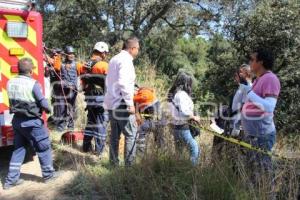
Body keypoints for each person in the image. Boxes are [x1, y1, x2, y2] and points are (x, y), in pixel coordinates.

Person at [4, 58, 58, 190]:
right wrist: (50, 109)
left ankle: (10, 181)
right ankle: (49, 175)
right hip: (32, 122)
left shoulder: (10, 82)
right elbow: (42, 102)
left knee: (18, 149)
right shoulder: (33, 84)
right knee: (43, 147)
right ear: (30, 70)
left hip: (17, 121)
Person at [240, 48, 281, 178]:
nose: (249, 62)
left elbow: (269, 107)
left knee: (263, 175)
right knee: (254, 174)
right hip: (254, 135)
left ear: (261, 62)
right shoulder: (259, 79)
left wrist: (249, 91)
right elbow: (253, 102)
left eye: (252, 59)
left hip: (262, 136)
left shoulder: (271, 79)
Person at [104, 37, 140, 166]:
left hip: (111, 102)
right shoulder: (126, 61)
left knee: (115, 135)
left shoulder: (114, 59)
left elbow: (111, 81)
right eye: (138, 49)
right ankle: (129, 166)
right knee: (131, 134)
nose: (138, 52)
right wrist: (130, 103)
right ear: (132, 48)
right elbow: (123, 83)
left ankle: (113, 164)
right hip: (122, 103)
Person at [81, 42, 110, 157]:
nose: (105, 55)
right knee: (100, 124)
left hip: (89, 98)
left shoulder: (85, 65)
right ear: (102, 52)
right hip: (101, 99)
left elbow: (83, 83)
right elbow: (109, 83)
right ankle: (99, 151)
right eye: (105, 53)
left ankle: (86, 147)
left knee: (91, 123)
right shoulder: (103, 65)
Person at [168, 71, 200, 166]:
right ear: (186, 83)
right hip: (183, 128)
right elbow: (185, 112)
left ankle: (179, 171)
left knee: (179, 152)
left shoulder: (173, 94)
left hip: (176, 127)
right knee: (194, 149)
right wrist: (194, 117)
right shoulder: (181, 95)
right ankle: (192, 171)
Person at [55, 46, 83, 131]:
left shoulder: (77, 64)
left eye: (72, 54)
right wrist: (59, 55)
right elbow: (56, 67)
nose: (71, 55)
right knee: (62, 108)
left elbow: (82, 74)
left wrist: (80, 86)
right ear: (66, 55)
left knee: (71, 107)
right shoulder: (61, 64)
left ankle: (71, 126)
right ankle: (61, 126)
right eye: (69, 54)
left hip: (72, 90)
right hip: (62, 89)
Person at [134, 86, 164, 157]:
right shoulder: (149, 93)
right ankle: (161, 152)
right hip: (155, 105)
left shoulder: (136, 96)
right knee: (159, 129)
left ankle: (140, 154)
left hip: (148, 107)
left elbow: (137, 114)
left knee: (142, 129)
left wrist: (139, 121)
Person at [231, 64, 253, 136]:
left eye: (241, 72)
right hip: (235, 116)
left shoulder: (249, 87)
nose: (239, 74)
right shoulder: (242, 86)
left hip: (239, 118)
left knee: (235, 139)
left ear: (247, 73)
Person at [44, 48, 63, 127]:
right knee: (54, 102)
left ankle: (60, 120)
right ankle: (55, 119)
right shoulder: (49, 64)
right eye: (53, 55)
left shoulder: (61, 63)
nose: (55, 57)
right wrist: (49, 69)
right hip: (54, 87)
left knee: (60, 104)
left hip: (61, 87)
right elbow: (46, 75)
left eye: (56, 55)